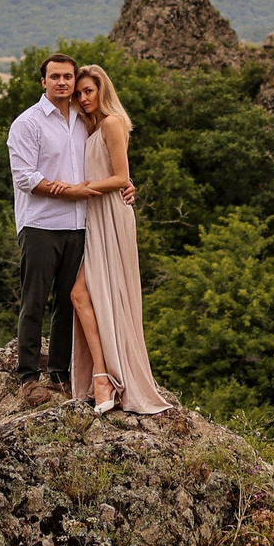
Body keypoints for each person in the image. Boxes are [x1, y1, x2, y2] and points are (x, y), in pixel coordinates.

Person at [67, 63, 172, 415]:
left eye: (89, 91)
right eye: (79, 93)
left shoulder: (112, 122)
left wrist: (79, 188)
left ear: (102, 90)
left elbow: (121, 177)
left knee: (95, 293)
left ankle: (107, 378)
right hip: (95, 215)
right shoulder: (89, 127)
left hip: (111, 214)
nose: (83, 98)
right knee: (84, 294)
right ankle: (103, 375)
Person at [6, 54, 93, 402]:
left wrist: (124, 183)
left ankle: (59, 375)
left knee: (69, 303)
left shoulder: (85, 121)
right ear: (43, 82)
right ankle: (28, 378)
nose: (62, 82)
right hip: (40, 225)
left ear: (74, 81)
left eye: (67, 77)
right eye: (55, 76)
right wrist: (67, 191)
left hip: (79, 225)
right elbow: (25, 177)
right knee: (35, 302)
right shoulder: (27, 123)